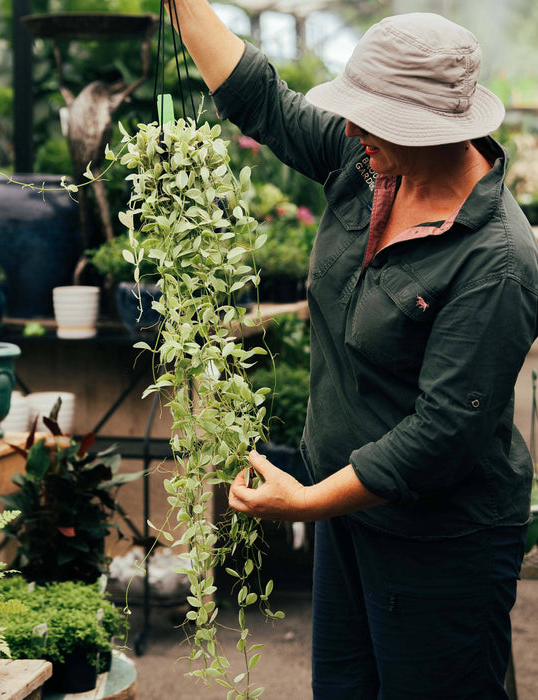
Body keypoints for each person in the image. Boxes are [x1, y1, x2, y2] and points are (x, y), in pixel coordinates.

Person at [168, 5, 538, 698]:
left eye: (368, 117)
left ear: (424, 126)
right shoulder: (367, 164)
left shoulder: (498, 262)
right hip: (350, 517)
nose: (349, 128)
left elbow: (441, 433)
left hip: (438, 543)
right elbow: (262, 98)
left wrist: (305, 502)